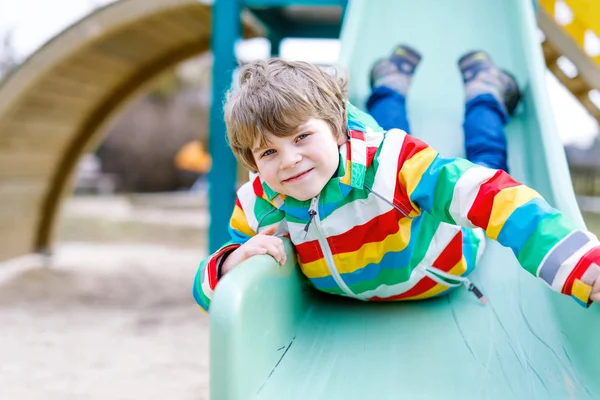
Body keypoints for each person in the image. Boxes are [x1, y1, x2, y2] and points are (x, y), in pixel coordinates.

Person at [193, 46, 600, 312]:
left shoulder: (394, 165)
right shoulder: (261, 201)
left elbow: (494, 197)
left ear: (336, 130)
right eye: (269, 152)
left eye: (301, 137)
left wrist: (583, 264)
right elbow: (211, 290)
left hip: (443, 270)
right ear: (252, 160)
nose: (290, 161)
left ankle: (485, 93)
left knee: (484, 160)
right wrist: (230, 262)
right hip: (358, 194)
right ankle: (389, 82)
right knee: (381, 140)